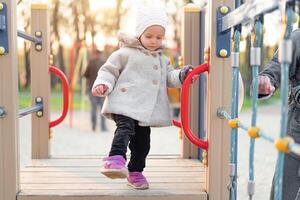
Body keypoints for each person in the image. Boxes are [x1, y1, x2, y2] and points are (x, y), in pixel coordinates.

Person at [92, 5, 193, 190]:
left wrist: (181, 75)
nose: (154, 41)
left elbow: (168, 78)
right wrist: (103, 84)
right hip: (125, 102)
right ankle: (114, 160)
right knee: (125, 128)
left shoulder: (162, 59)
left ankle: (135, 172)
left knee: (143, 143)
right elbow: (109, 71)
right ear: (139, 33)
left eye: (159, 37)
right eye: (149, 36)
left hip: (146, 110)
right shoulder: (124, 53)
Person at [257, 29, 300, 200]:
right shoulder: (297, 37)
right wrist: (266, 80)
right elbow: (276, 67)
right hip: (298, 127)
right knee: (286, 188)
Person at [83, 50, 107, 132]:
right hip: (102, 89)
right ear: (100, 54)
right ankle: (103, 127)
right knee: (102, 109)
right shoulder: (104, 62)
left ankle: (93, 126)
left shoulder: (91, 62)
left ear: (95, 54)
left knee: (93, 108)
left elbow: (85, 75)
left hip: (92, 88)